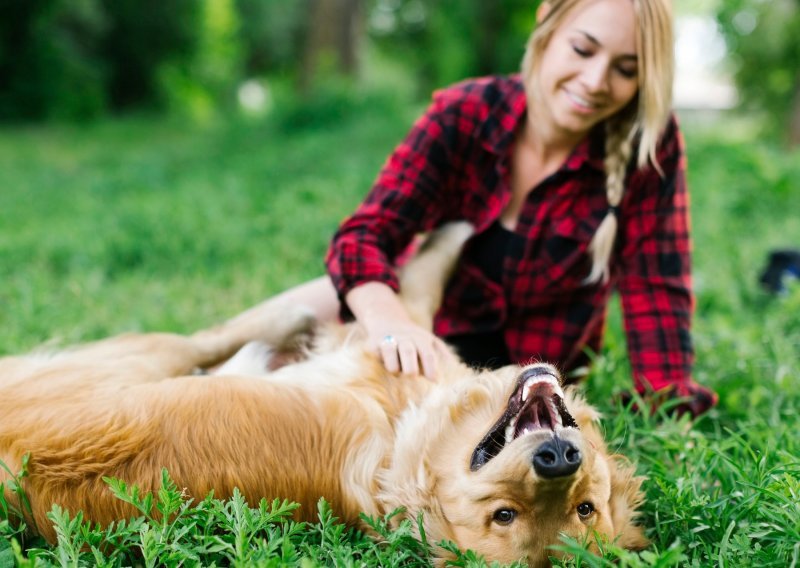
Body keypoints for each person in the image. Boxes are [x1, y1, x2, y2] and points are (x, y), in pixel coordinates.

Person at [280, 0, 717, 417]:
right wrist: (392, 323)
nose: (596, 80)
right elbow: (365, 235)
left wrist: (667, 407)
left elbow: (657, 287)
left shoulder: (648, 145)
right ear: (547, 24)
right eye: (582, 49)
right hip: (420, 337)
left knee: (295, 404)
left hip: (509, 384)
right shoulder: (465, 113)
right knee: (280, 330)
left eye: (626, 70)